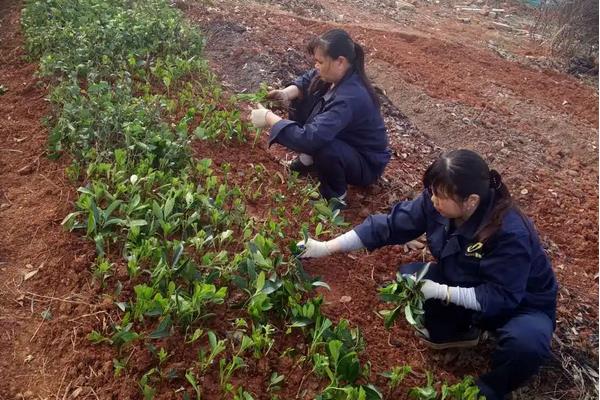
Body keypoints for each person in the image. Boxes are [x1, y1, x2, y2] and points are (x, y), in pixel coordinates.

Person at [298, 149, 558, 400]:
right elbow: (387, 226)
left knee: (525, 346)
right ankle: (464, 332)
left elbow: (502, 296)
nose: (433, 200)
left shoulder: (510, 234)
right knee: (410, 278)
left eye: (440, 195)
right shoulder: (438, 203)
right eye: (432, 192)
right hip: (466, 282)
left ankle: (490, 389)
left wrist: (442, 292)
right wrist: (327, 247)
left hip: (521, 305)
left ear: (471, 201)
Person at [249, 29, 390, 205]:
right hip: (345, 144)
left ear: (340, 61)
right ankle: (308, 161)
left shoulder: (350, 97)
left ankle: (335, 197)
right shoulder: (335, 75)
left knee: (325, 146)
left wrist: (269, 118)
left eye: (320, 61)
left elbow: (311, 138)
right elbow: (309, 79)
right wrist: (286, 93)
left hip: (365, 163)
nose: (316, 66)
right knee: (301, 98)